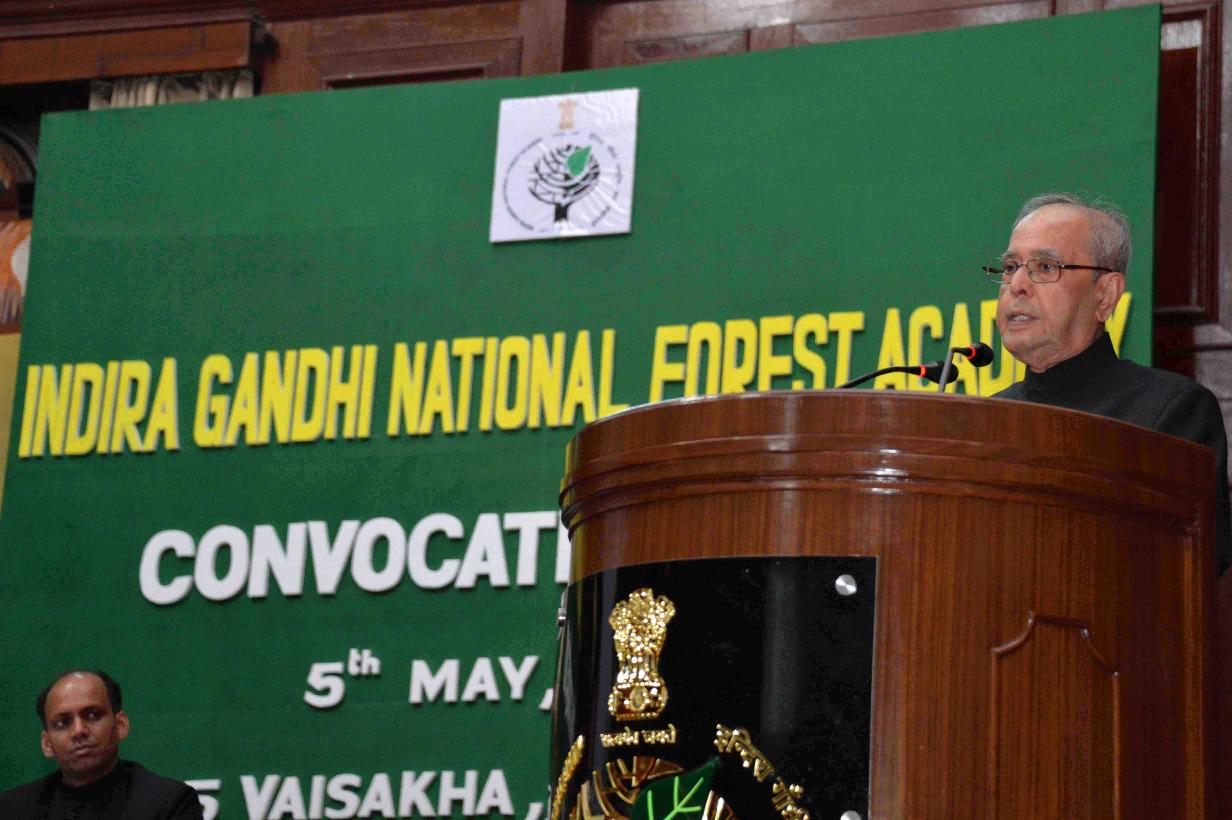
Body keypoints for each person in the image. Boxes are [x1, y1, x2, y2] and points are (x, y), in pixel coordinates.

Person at [989, 192, 1231, 574]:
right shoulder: (988, 417)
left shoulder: (1170, 411)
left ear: (1105, 295)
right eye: (1010, 267)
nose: (1017, 284)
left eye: (1045, 267)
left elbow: (1183, 569)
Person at [0, 669, 203, 819]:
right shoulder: (12, 810)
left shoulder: (169, 803)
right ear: (47, 744)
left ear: (120, 725)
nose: (79, 730)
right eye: (63, 723)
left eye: (93, 715)